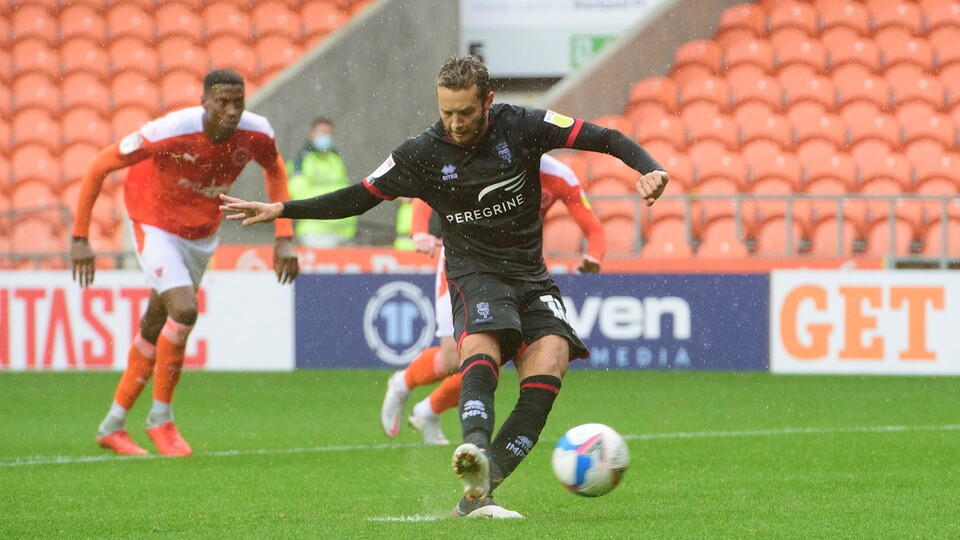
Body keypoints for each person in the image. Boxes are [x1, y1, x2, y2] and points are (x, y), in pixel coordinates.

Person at [220, 56, 667, 518]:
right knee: (481, 346)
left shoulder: (522, 126)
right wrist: (283, 210)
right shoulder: (421, 153)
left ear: (488, 101)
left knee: (552, 360)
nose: (454, 123)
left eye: (465, 113)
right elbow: (358, 197)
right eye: (446, 112)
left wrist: (649, 168)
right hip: (475, 271)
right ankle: (474, 447)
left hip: (531, 274)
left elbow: (603, 137)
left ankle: (478, 492)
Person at [71, 68, 299, 457]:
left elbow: (275, 169)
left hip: (201, 232)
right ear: (204, 102)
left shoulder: (257, 132)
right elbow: (99, 165)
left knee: (154, 323)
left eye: (238, 102)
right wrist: (80, 238)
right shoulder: (169, 130)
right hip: (154, 221)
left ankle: (112, 425)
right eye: (222, 102)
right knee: (185, 310)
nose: (232, 111)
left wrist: (284, 237)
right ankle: (160, 419)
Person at [380, 153, 608, 446]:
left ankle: (428, 410)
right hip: (465, 264)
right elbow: (429, 187)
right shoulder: (485, 160)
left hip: (517, 271)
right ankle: (404, 383)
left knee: (489, 361)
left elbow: (593, 227)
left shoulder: (559, 176)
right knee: (454, 358)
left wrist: (594, 255)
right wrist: (419, 232)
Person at [287, 117, 356, 248]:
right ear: (311, 134)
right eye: (322, 132)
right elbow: (299, 195)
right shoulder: (301, 161)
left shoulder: (335, 159)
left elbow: (345, 188)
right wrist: (333, 203)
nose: (326, 137)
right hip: (316, 232)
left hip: (344, 232)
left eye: (329, 134)